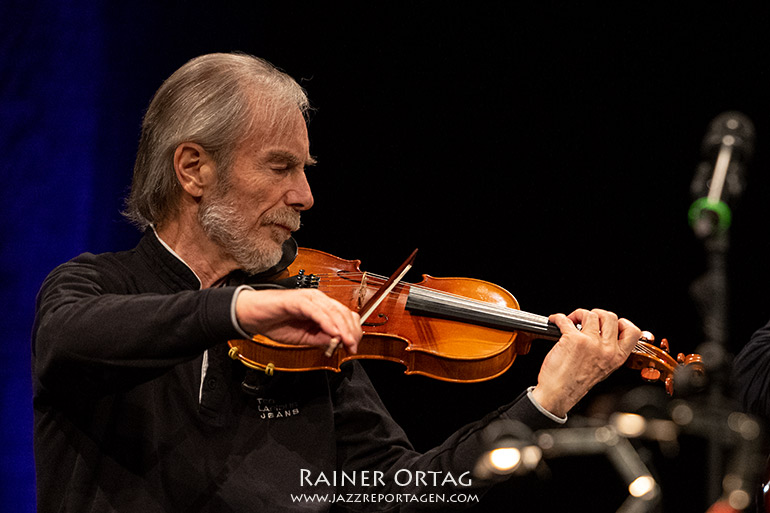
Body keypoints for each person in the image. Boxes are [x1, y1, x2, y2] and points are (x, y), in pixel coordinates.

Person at [32, 52, 642, 512]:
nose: (305, 195)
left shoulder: (312, 343)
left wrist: (545, 403)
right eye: (280, 167)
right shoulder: (94, 287)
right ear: (194, 168)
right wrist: (237, 309)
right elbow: (69, 338)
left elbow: (407, 493)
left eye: (305, 169)